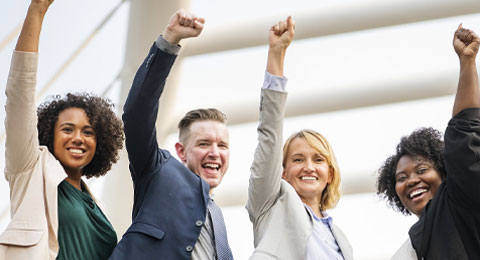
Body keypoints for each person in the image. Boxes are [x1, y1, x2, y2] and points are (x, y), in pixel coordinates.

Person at [0, 0, 125, 259]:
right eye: (67, 129)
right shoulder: (30, 169)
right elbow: (19, 96)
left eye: (88, 132)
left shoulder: (96, 205)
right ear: (49, 134)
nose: (78, 138)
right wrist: (37, 9)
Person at [109, 9, 233, 260]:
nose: (215, 153)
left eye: (222, 145)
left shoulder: (217, 218)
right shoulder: (158, 169)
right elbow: (137, 113)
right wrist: (169, 41)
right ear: (180, 151)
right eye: (204, 143)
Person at [246, 16, 354, 260]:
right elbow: (269, 136)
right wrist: (277, 53)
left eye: (318, 159)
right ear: (282, 173)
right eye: (297, 159)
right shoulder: (272, 207)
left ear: (331, 174)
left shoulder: (340, 238)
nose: (308, 167)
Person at [376, 25, 480, 259]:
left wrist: (467, 62)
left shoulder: (462, 202)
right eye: (401, 178)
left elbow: (465, 129)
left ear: (445, 172)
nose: (412, 180)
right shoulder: (413, 244)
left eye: (422, 170)